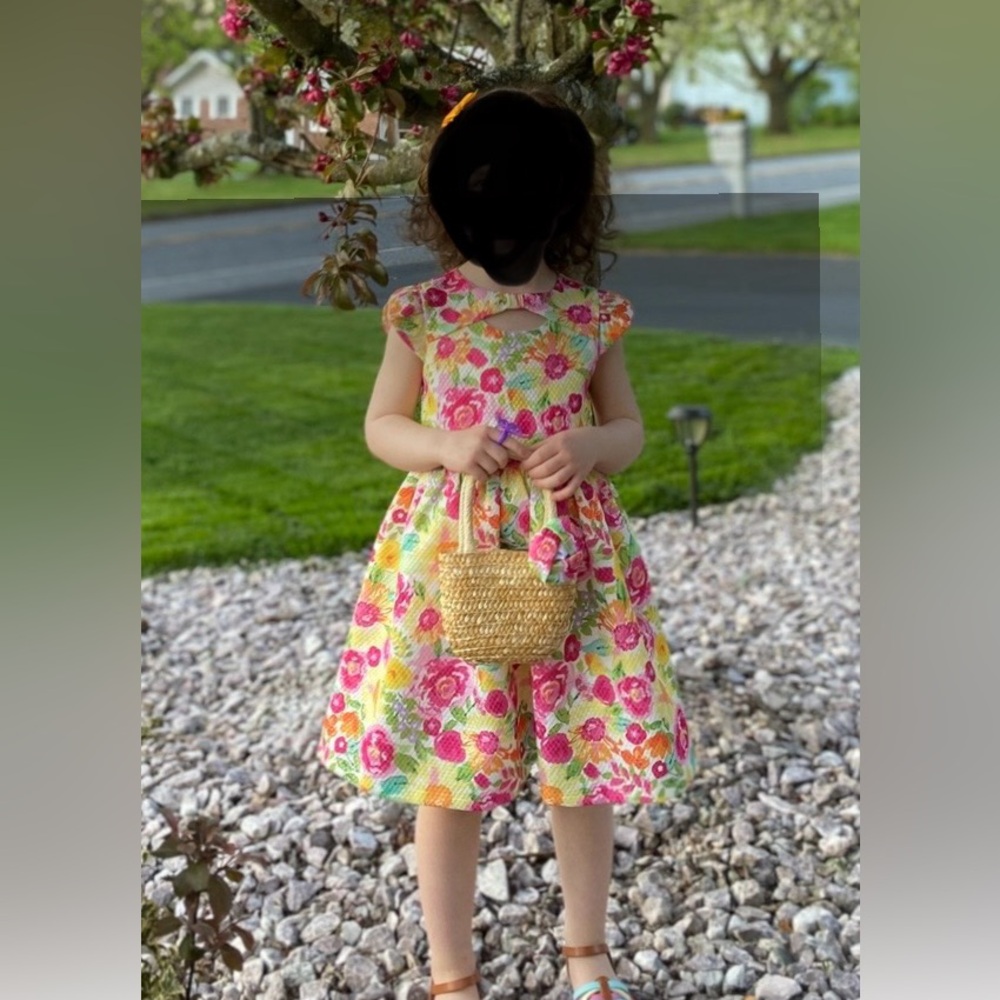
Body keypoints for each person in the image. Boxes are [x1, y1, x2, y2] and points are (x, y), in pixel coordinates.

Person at [316, 85, 696, 1000]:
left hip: (573, 560)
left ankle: (587, 949)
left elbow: (631, 429)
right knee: (449, 768)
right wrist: (443, 445)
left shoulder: (590, 317)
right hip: (455, 554)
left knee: (581, 762)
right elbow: (381, 425)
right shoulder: (427, 314)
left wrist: (592, 446)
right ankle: (452, 969)